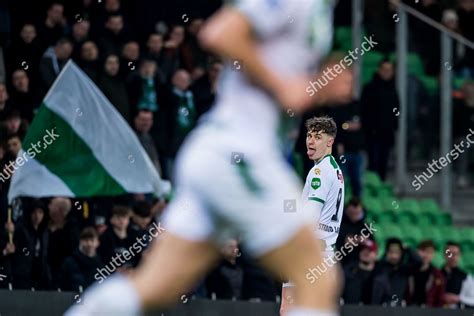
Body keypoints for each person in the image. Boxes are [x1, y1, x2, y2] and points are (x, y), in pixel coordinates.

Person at [66, 1, 352, 315]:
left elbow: (282, 81)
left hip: (219, 153)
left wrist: (313, 91)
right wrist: (286, 87)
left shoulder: (321, 10)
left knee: (155, 289)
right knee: (318, 278)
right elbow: (221, 33)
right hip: (238, 154)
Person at [281, 116, 345, 314]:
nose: (310, 141)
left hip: (310, 252)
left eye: (317, 137)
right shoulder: (334, 169)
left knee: (289, 309)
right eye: (309, 135)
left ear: (330, 142)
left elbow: (310, 215)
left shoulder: (319, 172)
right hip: (324, 253)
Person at [361, 59, 399, 181]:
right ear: (379, 70)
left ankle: (380, 185)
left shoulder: (393, 90)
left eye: (390, 70)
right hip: (372, 133)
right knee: (373, 161)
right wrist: (368, 128)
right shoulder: (369, 88)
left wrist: (394, 124)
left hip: (387, 132)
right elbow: (364, 110)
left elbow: (397, 109)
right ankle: (372, 186)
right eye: (385, 70)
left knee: (384, 161)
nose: (387, 73)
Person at [59, 227, 102, 291]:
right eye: (86, 240)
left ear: (97, 243)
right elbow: (61, 284)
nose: (89, 244)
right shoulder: (69, 263)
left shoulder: (100, 265)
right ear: (81, 241)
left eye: (92, 240)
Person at [371, 238, 410, 306]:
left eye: (397, 253)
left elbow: (419, 262)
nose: (394, 256)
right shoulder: (380, 267)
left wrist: (407, 249)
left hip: (399, 305)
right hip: (381, 306)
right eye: (391, 252)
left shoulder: (404, 269)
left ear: (401, 254)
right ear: (387, 253)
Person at [408, 240, 445, 307]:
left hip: (429, 310)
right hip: (410, 308)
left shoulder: (437, 274)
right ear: (417, 251)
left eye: (430, 252)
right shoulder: (409, 271)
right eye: (423, 251)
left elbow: (440, 297)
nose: (426, 255)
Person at [335, 197, 370, 267]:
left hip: (360, 263)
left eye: (357, 213)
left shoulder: (366, 227)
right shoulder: (339, 225)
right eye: (352, 213)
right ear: (347, 211)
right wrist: (344, 242)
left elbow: (373, 245)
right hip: (342, 261)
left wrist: (366, 242)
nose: (354, 216)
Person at [341, 239, 377, 305]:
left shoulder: (380, 275)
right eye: (363, 249)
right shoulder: (348, 272)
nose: (365, 252)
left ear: (375, 254)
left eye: (369, 250)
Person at [442, 241, 468, 308]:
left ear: (460, 255)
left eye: (456, 254)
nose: (453, 257)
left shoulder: (465, 277)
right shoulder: (436, 274)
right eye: (449, 253)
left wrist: (458, 298)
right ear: (444, 255)